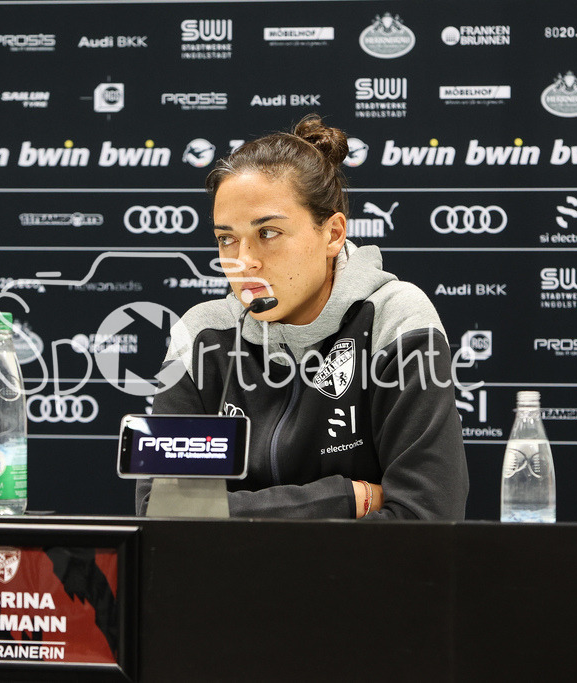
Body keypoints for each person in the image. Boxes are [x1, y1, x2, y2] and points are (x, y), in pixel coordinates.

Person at [136, 115, 468, 519]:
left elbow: (427, 518)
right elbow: (162, 515)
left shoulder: (394, 318)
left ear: (332, 234)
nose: (244, 262)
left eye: (269, 233)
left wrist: (234, 519)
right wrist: (345, 498)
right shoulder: (202, 333)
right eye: (227, 239)